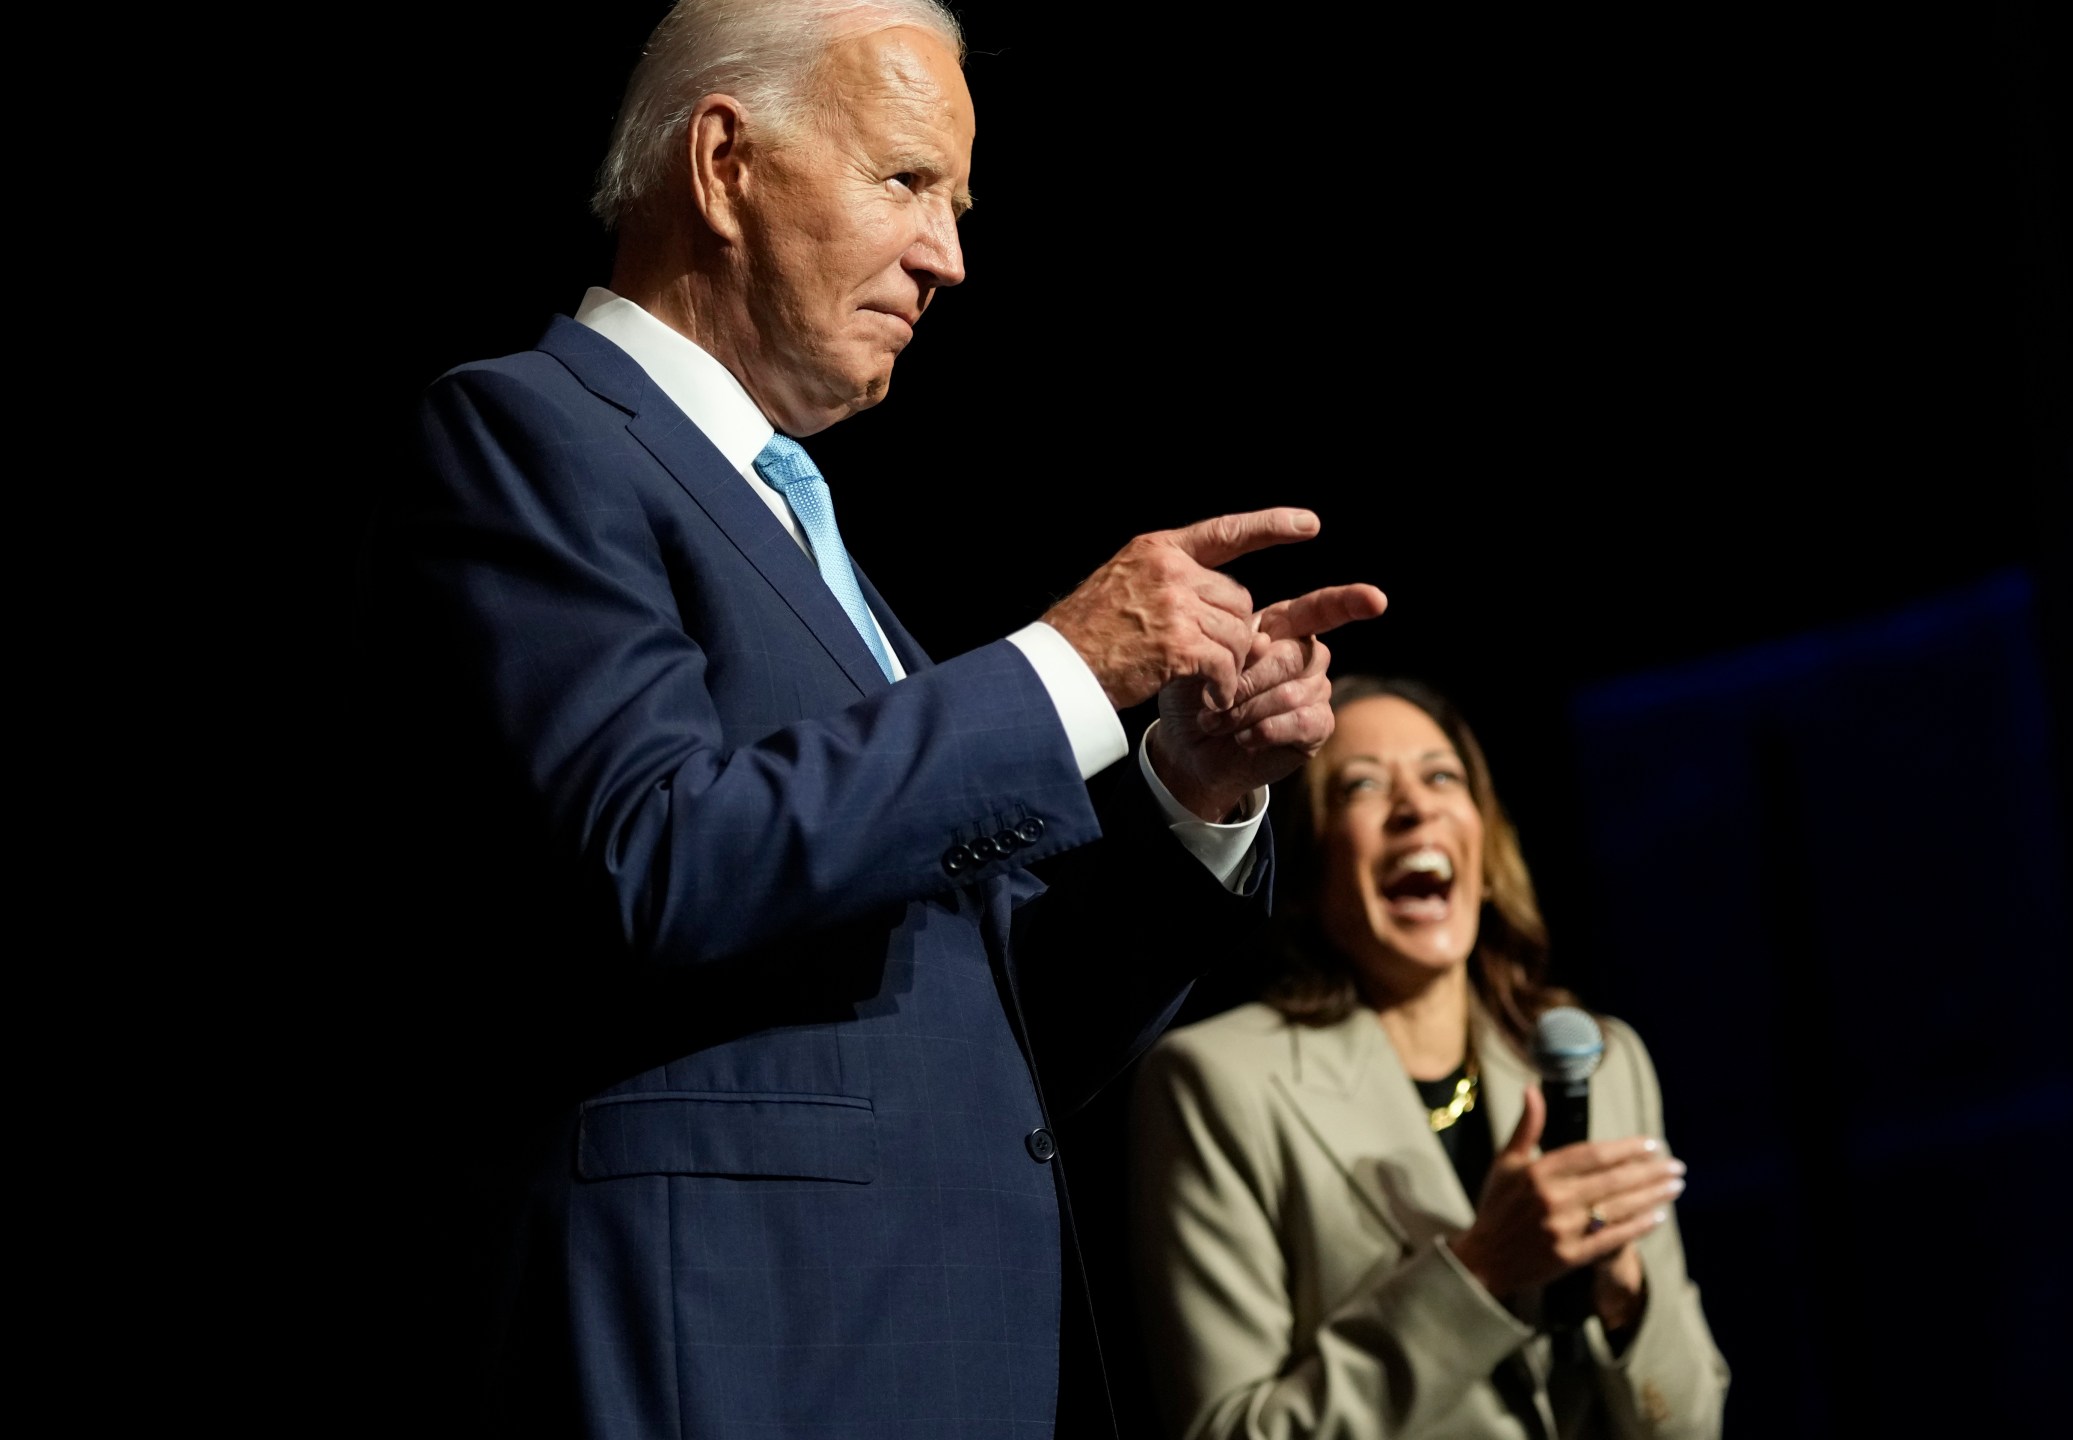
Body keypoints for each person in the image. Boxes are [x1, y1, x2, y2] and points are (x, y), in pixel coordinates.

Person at [365, 1, 1384, 1433]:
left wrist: (1186, 793)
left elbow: (987, 1023)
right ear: (723, 163)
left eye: (957, 206)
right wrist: (1063, 668)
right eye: (907, 182)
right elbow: (652, 855)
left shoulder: (811, 547)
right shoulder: (526, 433)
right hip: (731, 1350)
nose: (949, 257)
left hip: (922, 1355)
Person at [1128, 677, 1731, 1437]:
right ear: (1312, 864)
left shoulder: (1603, 1061)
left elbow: (1691, 1422)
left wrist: (1621, 1298)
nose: (1416, 808)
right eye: (1362, 787)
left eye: (1442, 776)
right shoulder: (1213, 1085)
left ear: (1482, 841)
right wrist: (1479, 1271)